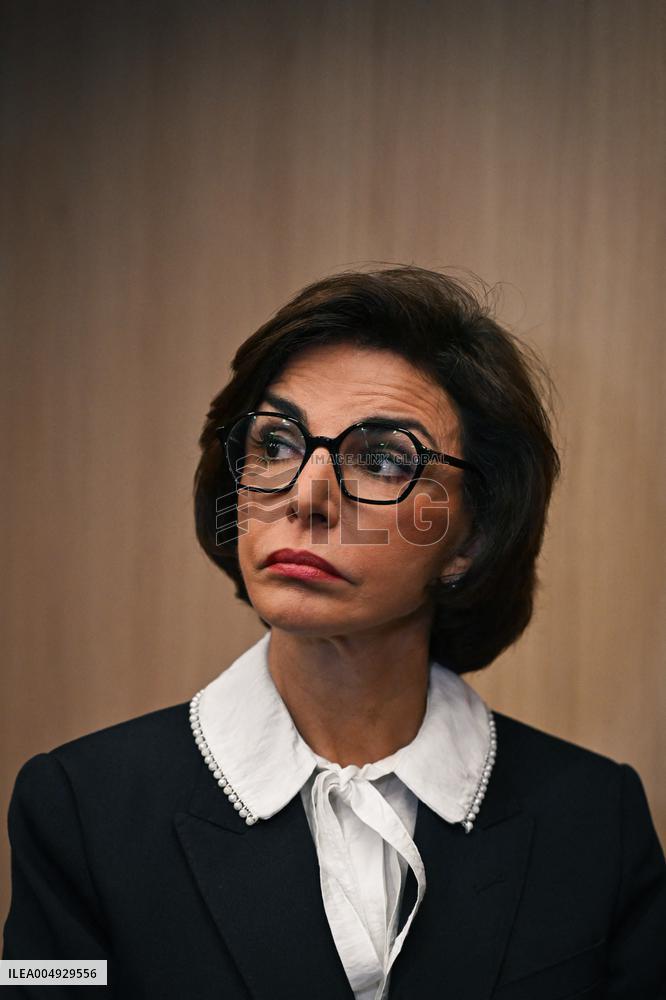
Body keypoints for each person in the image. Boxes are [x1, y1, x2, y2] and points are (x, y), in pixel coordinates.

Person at [3, 265, 665, 999]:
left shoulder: (596, 818)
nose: (305, 496)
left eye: (382, 460)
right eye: (277, 445)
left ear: (469, 540)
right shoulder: (78, 805)